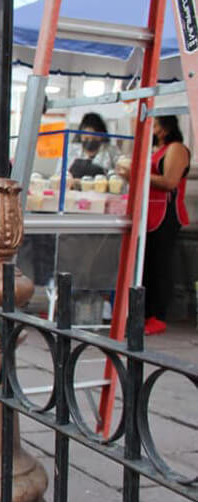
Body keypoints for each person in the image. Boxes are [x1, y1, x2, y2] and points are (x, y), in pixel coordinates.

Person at [120, 116, 190, 335]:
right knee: (146, 264)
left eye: (156, 125)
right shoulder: (155, 149)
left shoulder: (176, 149)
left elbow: (170, 181)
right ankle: (142, 312)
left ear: (165, 128)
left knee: (160, 265)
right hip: (147, 212)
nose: (153, 130)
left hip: (166, 214)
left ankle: (158, 315)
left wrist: (138, 175)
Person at [63, 112, 120, 178]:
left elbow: (119, 176)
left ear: (101, 136)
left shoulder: (111, 152)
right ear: (80, 136)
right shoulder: (71, 150)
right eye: (86, 138)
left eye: (93, 138)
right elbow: (60, 174)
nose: (90, 141)